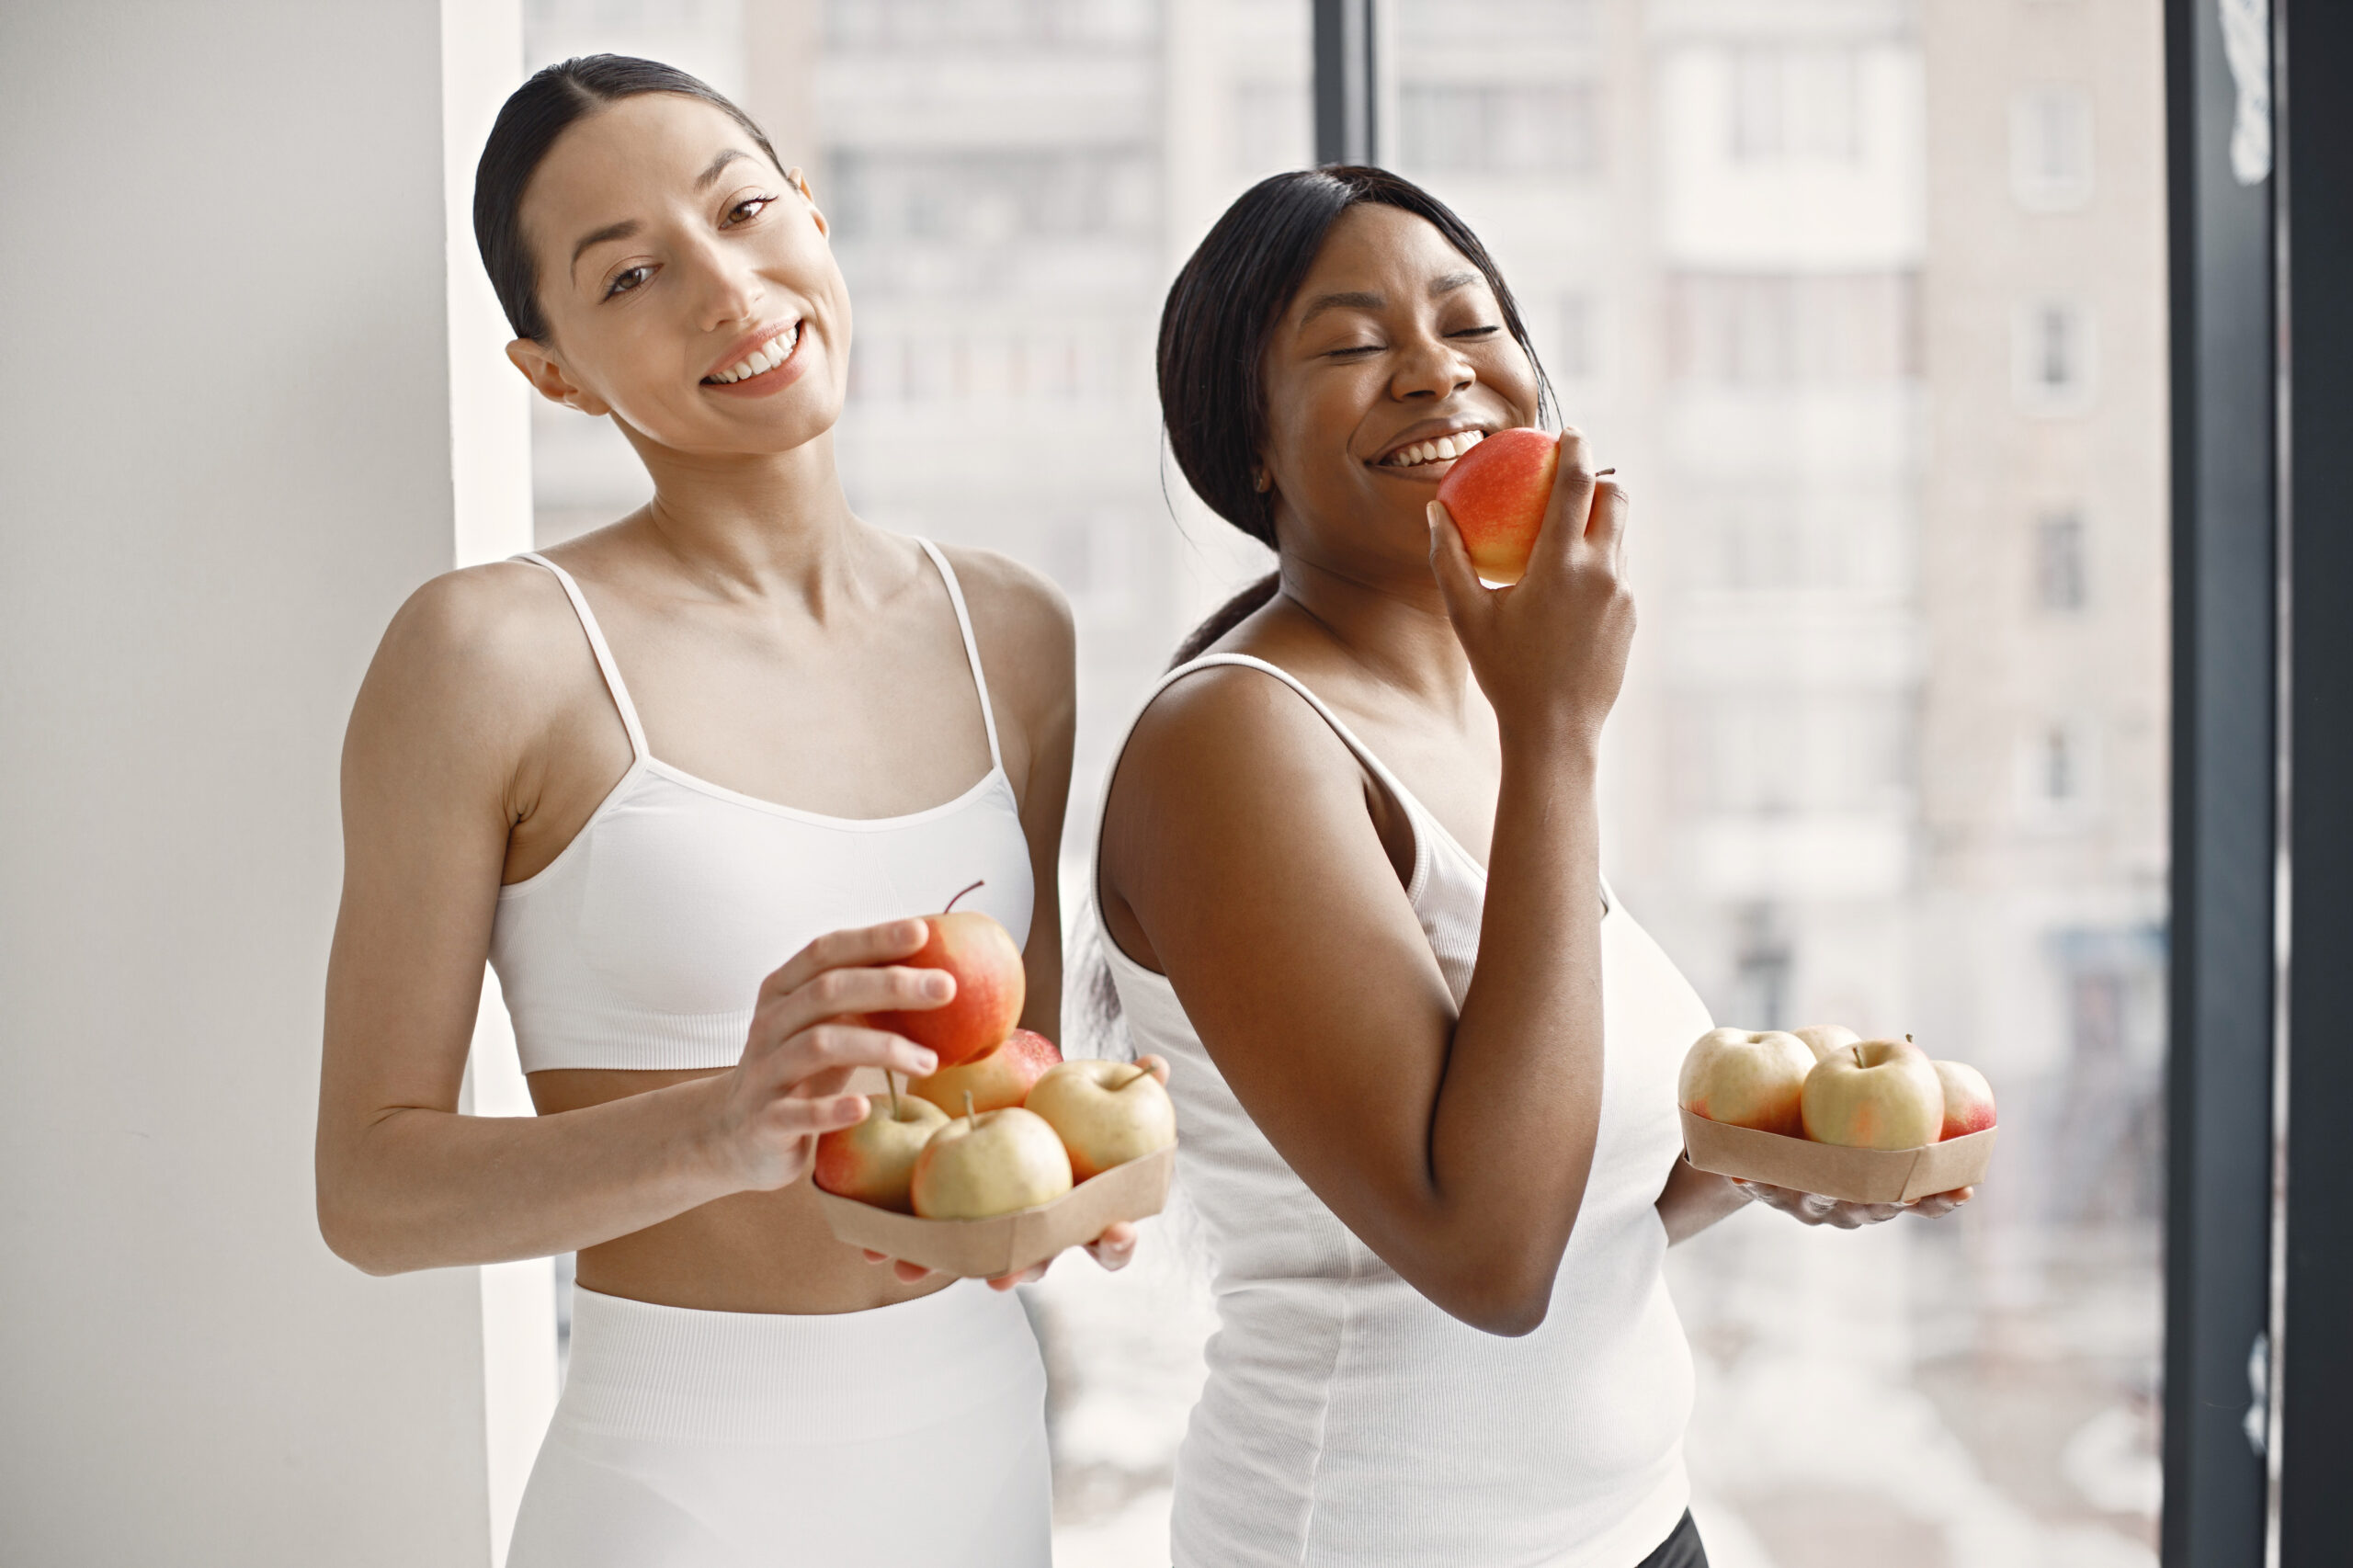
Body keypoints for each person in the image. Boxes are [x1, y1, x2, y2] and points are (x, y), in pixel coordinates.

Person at [314, 56, 1135, 1566]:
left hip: (986, 1460)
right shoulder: (491, 653)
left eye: (746, 210)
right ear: (551, 369)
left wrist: (1071, 1171)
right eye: (629, 273)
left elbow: (999, 1075)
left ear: (817, 218)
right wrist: (723, 1123)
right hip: (681, 1492)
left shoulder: (1014, 631)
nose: (726, 287)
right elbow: (370, 1189)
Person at [1092, 166, 1970, 1568]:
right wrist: (1558, 732)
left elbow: (1576, 1192)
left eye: (1468, 319)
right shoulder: (1236, 743)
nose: (1438, 375)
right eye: (1352, 344)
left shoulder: (1485, 695)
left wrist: (1769, 1151)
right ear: (1247, 444)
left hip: (1628, 1522)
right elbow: (1491, 1257)